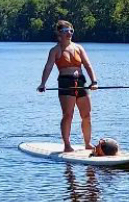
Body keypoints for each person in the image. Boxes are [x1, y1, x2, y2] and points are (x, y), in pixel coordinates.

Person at [37, 20, 98, 152]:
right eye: (66, 31)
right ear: (59, 33)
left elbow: (87, 65)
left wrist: (94, 81)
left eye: (71, 31)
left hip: (81, 81)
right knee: (68, 114)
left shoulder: (79, 48)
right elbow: (48, 67)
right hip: (65, 82)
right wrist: (43, 83)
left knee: (86, 114)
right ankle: (67, 144)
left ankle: (87, 143)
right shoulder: (55, 50)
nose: (69, 33)